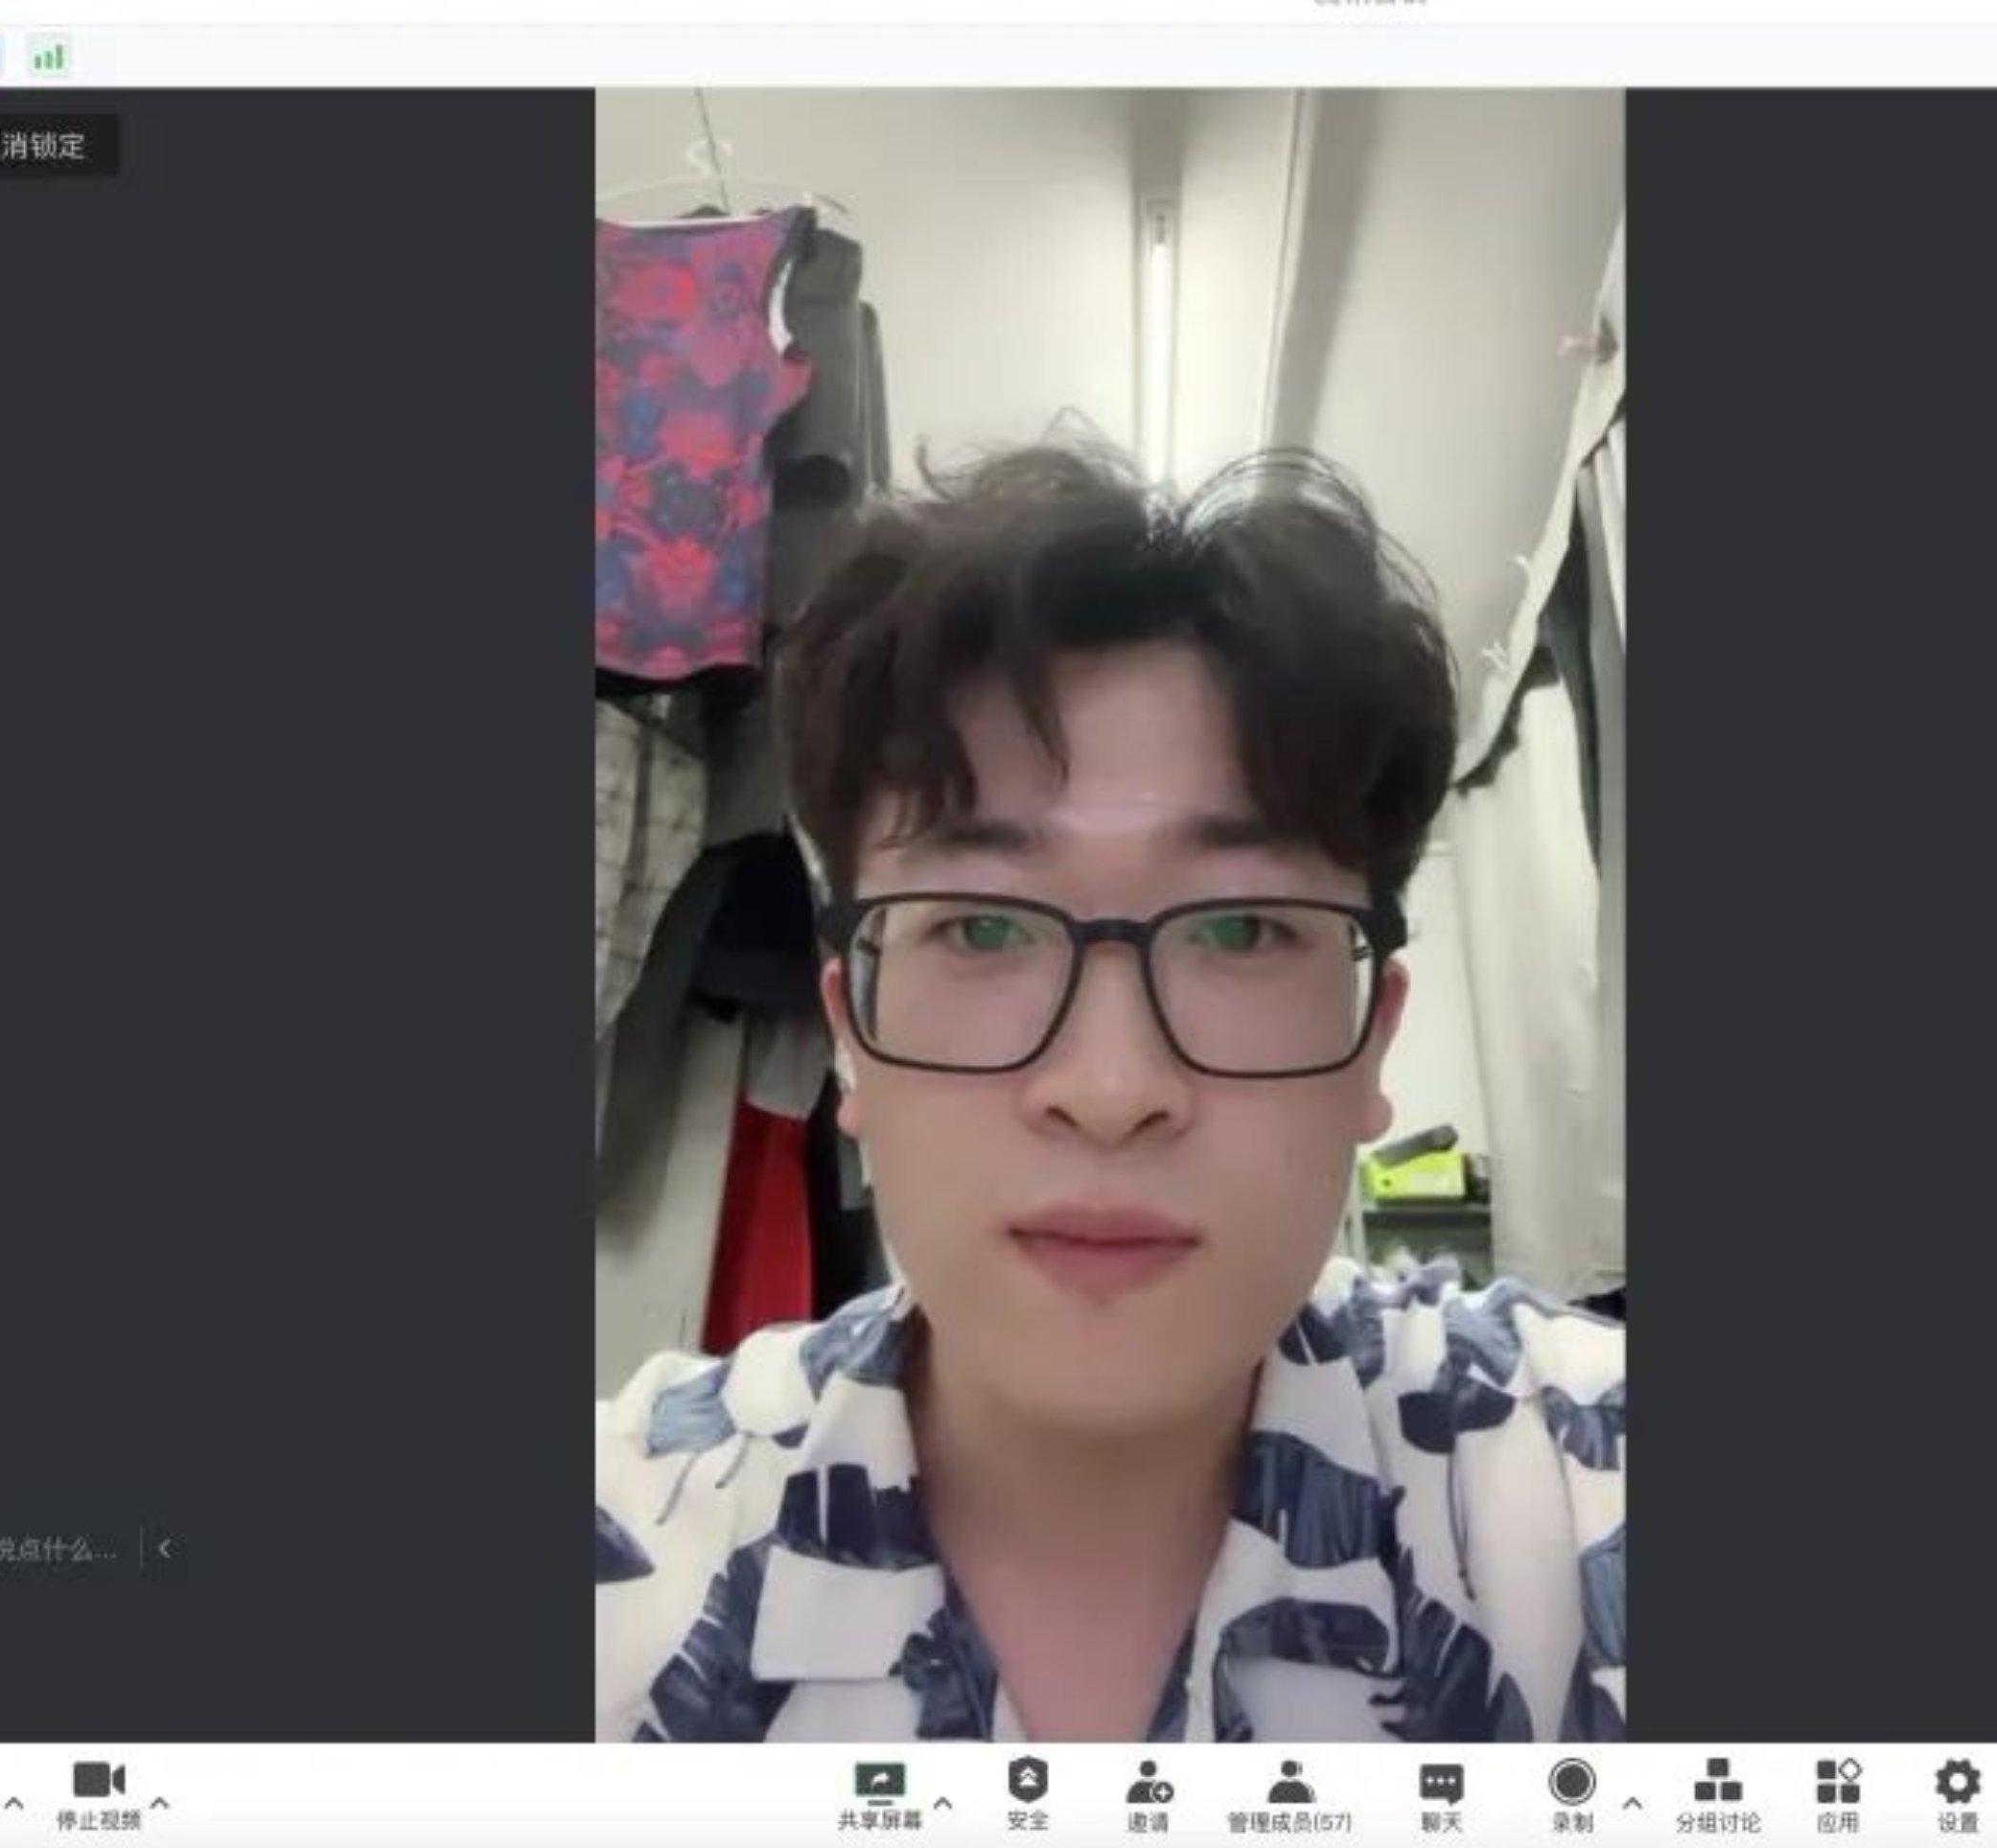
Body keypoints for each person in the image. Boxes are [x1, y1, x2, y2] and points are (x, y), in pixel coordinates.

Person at [593, 443, 1627, 1746]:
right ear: (850, 1030)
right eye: (980, 927)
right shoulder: (628, 1552)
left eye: (1241, 928)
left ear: (1373, 1039)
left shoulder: (1580, 1487)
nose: (1110, 1088)